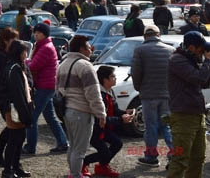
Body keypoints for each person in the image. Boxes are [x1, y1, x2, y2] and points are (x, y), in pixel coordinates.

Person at [57, 36, 106, 178]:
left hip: (67, 110)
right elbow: (93, 93)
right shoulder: (85, 66)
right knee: (80, 149)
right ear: (81, 49)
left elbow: (58, 89)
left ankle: (72, 174)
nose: (91, 49)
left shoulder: (63, 64)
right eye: (88, 46)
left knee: (72, 146)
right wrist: (101, 113)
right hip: (81, 111)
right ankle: (76, 175)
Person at [166, 31, 210, 178]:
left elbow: (204, 82)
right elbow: (198, 78)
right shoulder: (177, 60)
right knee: (180, 160)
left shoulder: (191, 58)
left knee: (198, 159)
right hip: (183, 117)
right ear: (191, 47)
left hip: (197, 115)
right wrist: (208, 62)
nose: (202, 52)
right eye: (201, 49)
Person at [131, 24, 174, 168]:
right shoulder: (170, 50)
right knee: (167, 125)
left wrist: (139, 88)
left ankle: (151, 156)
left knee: (151, 126)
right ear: (159, 35)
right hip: (167, 94)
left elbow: (136, 73)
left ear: (145, 36)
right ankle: (174, 155)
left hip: (148, 95)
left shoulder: (140, 50)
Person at [22, 22, 69, 155]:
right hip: (47, 86)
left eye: (38, 33)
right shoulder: (43, 46)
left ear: (44, 34)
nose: (35, 35)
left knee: (32, 117)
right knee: (50, 116)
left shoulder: (46, 48)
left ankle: (30, 147)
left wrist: (23, 61)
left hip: (45, 86)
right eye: (35, 33)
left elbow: (33, 65)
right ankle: (63, 143)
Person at [82, 65, 132, 177]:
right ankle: (83, 162)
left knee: (117, 143)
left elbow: (114, 110)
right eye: (113, 76)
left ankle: (102, 167)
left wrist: (125, 113)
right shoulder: (99, 94)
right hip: (94, 128)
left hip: (103, 127)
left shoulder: (109, 91)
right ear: (105, 80)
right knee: (104, 153)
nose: (115, 78)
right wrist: (120, 119)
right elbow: (100, 118)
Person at [2, 39, 34, 178]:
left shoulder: (18, 66)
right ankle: (7, 170)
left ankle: (15, 167)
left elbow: (29, 84)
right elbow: (18, 94)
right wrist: (26, 115)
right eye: (24, 51)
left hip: (18, 107)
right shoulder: (14, 69)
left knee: (19, 139)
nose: (26, 53)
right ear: (18, 53)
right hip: (15, 109)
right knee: (14, 140)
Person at [0, 27, 20, 167]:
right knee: (12, 127)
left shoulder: (6, 54)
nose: (16, 43)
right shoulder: (1, 56)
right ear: (5, 40)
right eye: (14, 40)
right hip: (6, 97)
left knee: (11, 127)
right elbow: (4, 78)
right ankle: (3, 157)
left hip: (9, 96)